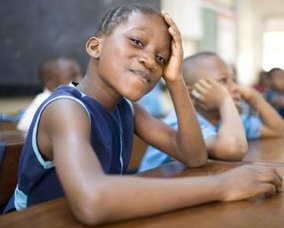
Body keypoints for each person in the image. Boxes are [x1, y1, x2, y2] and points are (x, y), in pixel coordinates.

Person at [4, 6, 282, 226]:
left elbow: (194, 155)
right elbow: (92, 201)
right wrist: (221, 186)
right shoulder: (66, 108)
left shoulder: (127, 108)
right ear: (95, 47)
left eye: (161, 58)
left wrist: (175, 81)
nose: (150, 60)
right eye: (137, 42)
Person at [140, 52, 284, 172]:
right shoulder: (179, 124)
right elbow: (232, 149)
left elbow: (279, 130)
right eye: (222, 81)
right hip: (154, 193)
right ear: (191, 94)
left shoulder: (228, 120)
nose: (234, 87)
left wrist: (255, 96)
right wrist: (225, 100)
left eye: (233, 79)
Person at [17, 57, 82, 133]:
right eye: (73, 76)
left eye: (80, 74)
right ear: (51, 84)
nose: (80, 80)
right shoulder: (46, 101)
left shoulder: (70, 99)